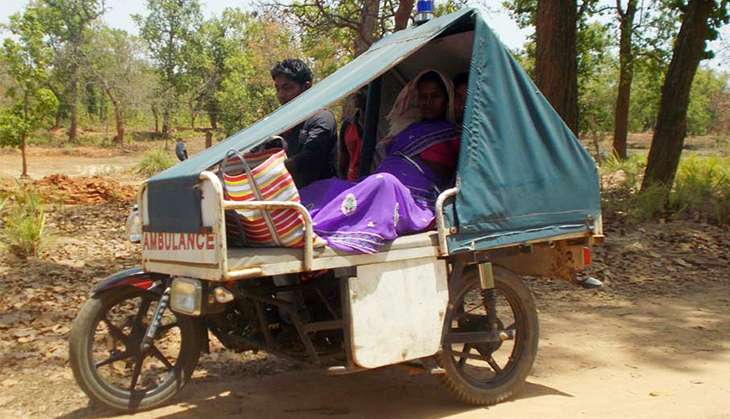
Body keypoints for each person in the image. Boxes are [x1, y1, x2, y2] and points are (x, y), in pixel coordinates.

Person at [299, 70, 460, 254]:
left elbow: (444, 174)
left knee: (384, 182)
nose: (428, 102)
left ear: (447, 99)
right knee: (326, 186)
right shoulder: (408, 130)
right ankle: (300, 222)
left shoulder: (453, 134)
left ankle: (320, 227)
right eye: (423, 96)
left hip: (416, 200)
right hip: (383, 184)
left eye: (435, 96)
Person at [271, 59, 337, 188]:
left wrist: (267, 170)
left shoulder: (321, 118)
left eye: (287, 88)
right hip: (289, 196)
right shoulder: (282, 123)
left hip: (320, 198)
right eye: (277, 89)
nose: (281, 95)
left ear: (306, 87)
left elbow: (307, 159)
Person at [337, 89, 366, 181]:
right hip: (353, 181)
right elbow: (344, 158)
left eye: (364, 89)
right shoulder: (348, 125)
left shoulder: (381, 124)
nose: (357, 94)